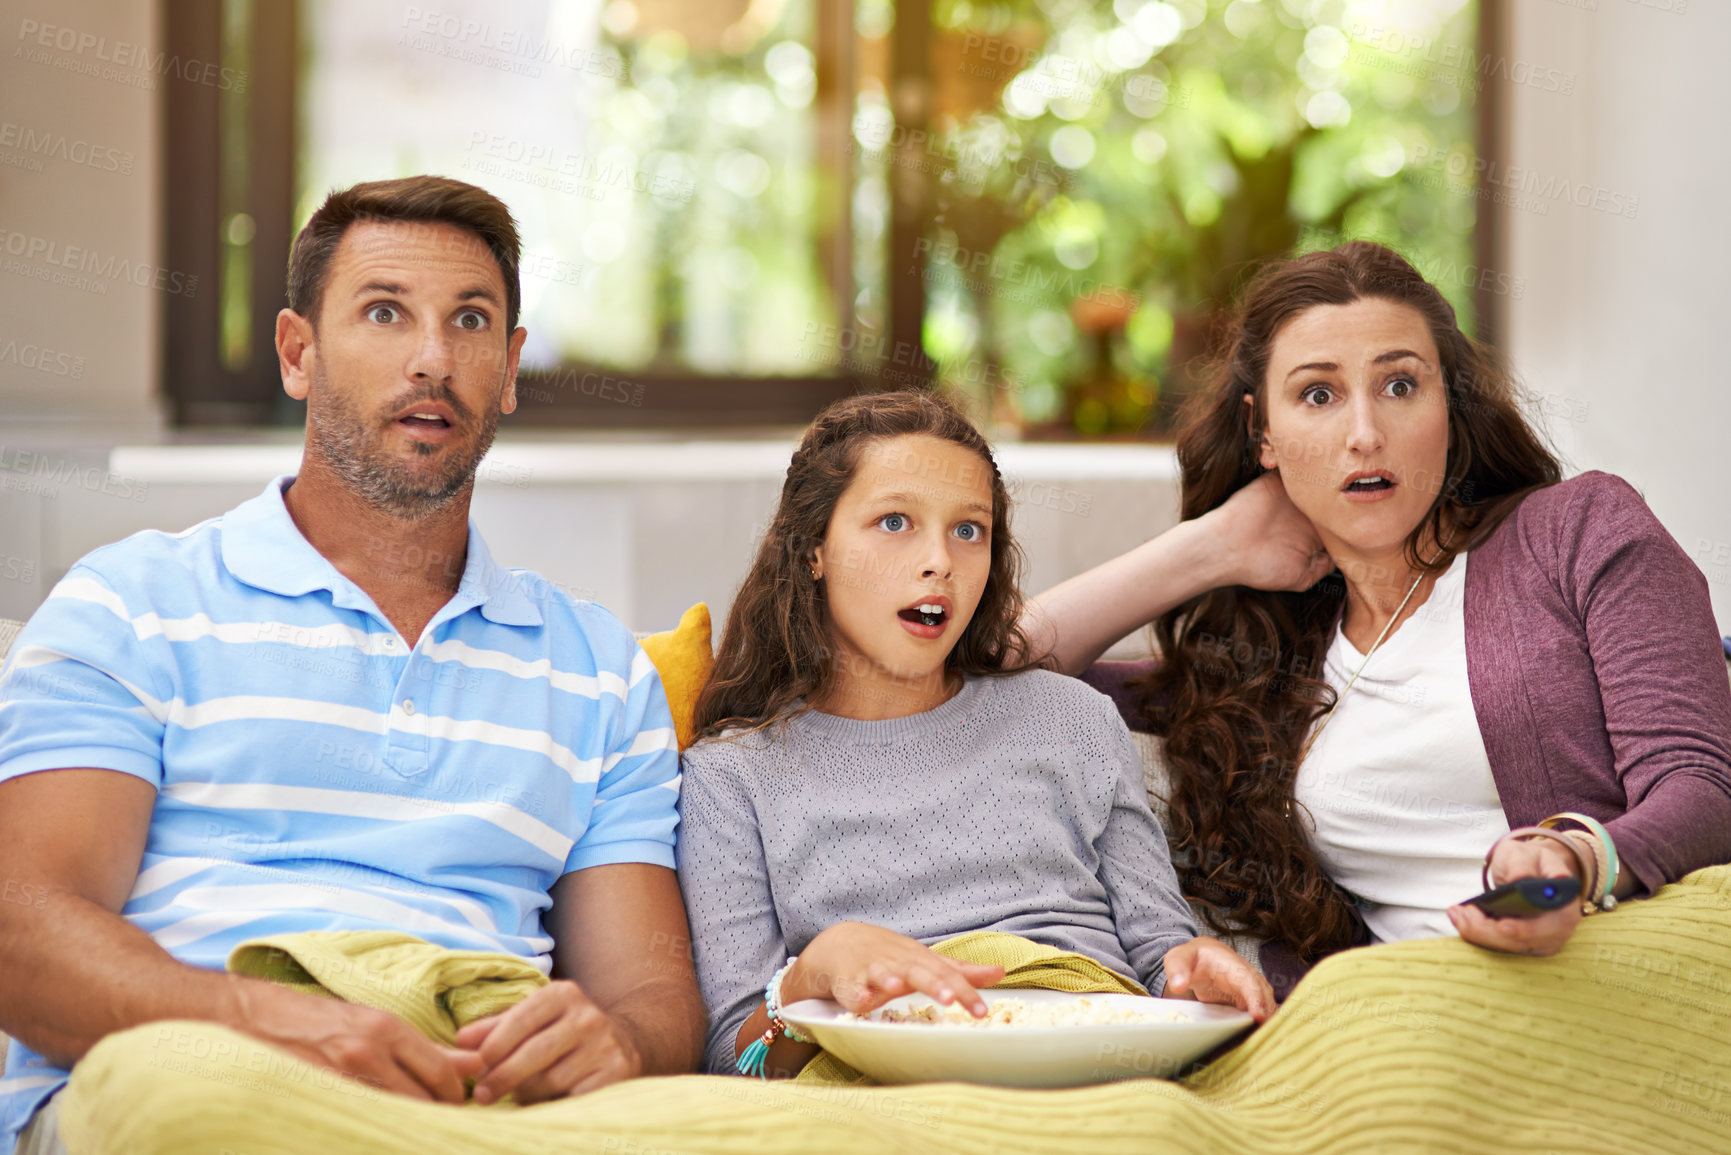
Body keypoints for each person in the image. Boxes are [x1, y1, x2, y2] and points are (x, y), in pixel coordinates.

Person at [0, 176, 704, 1155]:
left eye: (470, 322)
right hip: (189, 1076)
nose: (432, 359)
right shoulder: (130, 604)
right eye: (385, 313)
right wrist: (274, 1023)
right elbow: (22, 934)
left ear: (508, 369)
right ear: (299, 352)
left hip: (474, 1097)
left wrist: (616, 1043)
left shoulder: (597, 670)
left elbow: (652, 991)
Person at [1023, 241, 1731, 986]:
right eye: (1318, 395)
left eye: (1399, 385)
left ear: (1447, 406)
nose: (1364, 433)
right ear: (1262, 431)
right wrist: (1208, 546)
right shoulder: (1263, 660)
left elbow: (1700, 785)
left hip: (1611, 974)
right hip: (1393, 1021)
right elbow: (990, 668)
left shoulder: (1576, 530)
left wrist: (1571, 860)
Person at [677, 391, 1273, 1081]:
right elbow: (734, 1057)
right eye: (894, 521)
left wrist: (1195, 967)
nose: (939, 560)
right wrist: (812, 971)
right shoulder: (731, 776)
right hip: (879, 1086)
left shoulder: (1071, 719)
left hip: (1097, 1065)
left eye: (969, 530)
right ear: (812, 548)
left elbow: (1161, 954)